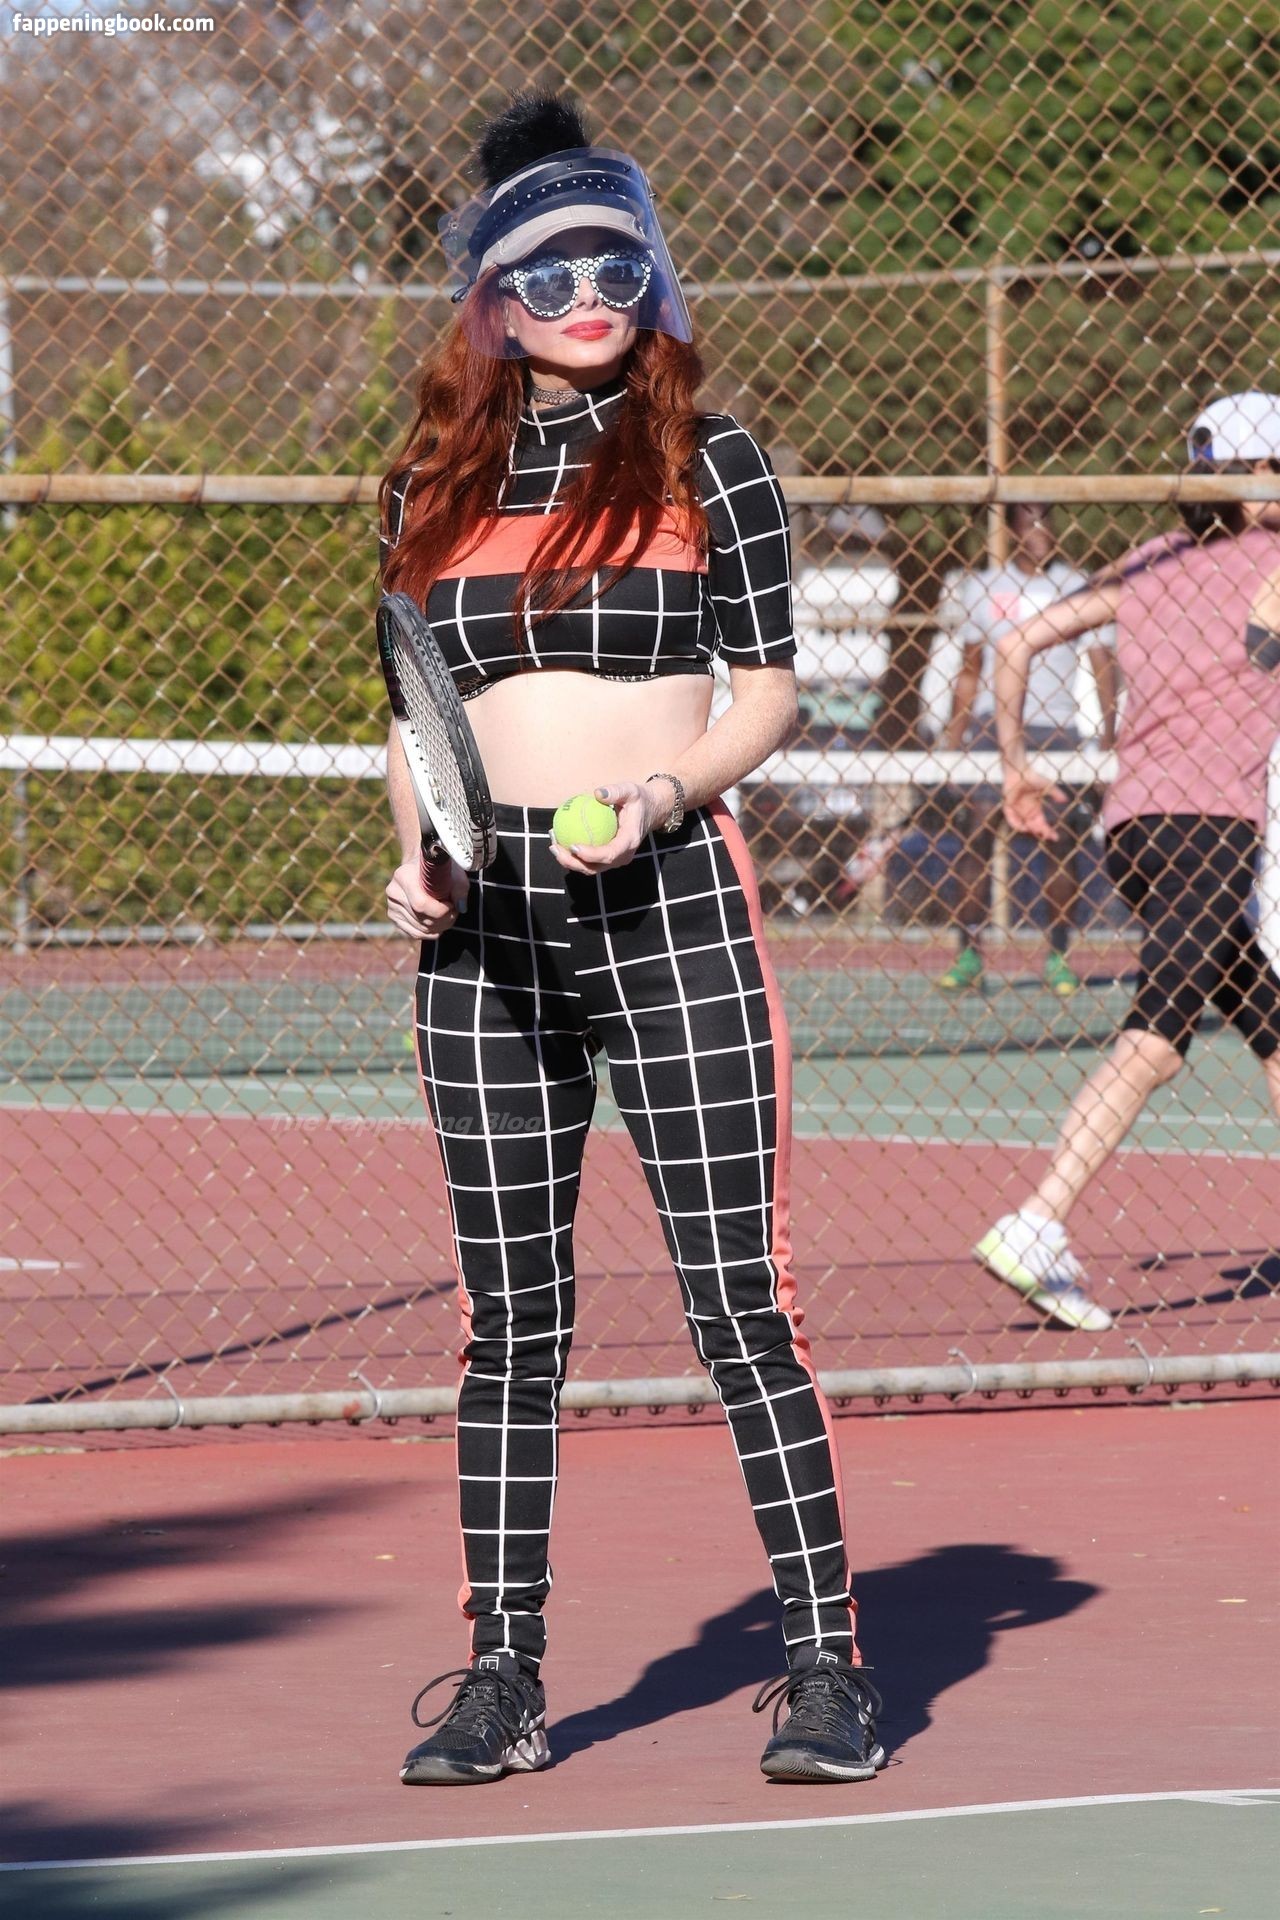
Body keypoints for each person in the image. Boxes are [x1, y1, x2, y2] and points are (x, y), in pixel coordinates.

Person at [377, 90, 884, 1787]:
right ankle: (503, 1678)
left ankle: (827, 1667)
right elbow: (414, 713)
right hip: (487, 937)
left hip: (669, 902)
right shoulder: (429, 479)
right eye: (547, 271)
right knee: (512, 1322)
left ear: (648, 275)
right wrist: (416, 860)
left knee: (741, 1303)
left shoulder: (708, 460)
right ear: (494, 298)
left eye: (613, 264)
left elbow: (768, 694)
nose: (585, 295)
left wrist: (665, 792)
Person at [976, 392, 1280, 1332]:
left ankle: (1040, 1223)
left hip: (1137, 831)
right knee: (1158, 1039)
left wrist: (1016, 766)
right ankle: (1039, 1220)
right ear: (1254, 479)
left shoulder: (1151, 562)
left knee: (1273, 1027)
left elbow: (1018, 641)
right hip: (1211, 829)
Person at [926, 504, 1118, 994]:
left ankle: (1057, 955)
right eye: (1029, 522)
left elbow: (1102, 663)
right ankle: (969, 953)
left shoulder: (1078, 585)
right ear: (1011, 531)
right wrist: (954, 740)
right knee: (976, 835)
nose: (1040, 531)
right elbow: (970, 668)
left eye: (1047, 521)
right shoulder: (984, 586)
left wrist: (1108, 735)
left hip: (1055, 728)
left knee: (1059, 839)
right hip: (991, 728)